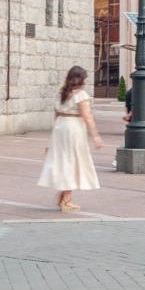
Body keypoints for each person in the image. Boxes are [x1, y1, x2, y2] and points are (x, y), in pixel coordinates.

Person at [39, 65, 103, 212]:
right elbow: (87, 117)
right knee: (72, 162)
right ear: (81, 79)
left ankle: (63, 195)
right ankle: (66, 200)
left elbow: (56, 114)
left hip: (60, 127)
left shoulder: (61, 93)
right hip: (73, 129)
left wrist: (51, 139)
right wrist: (96, 136)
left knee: (63, 161)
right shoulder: (80, 95)